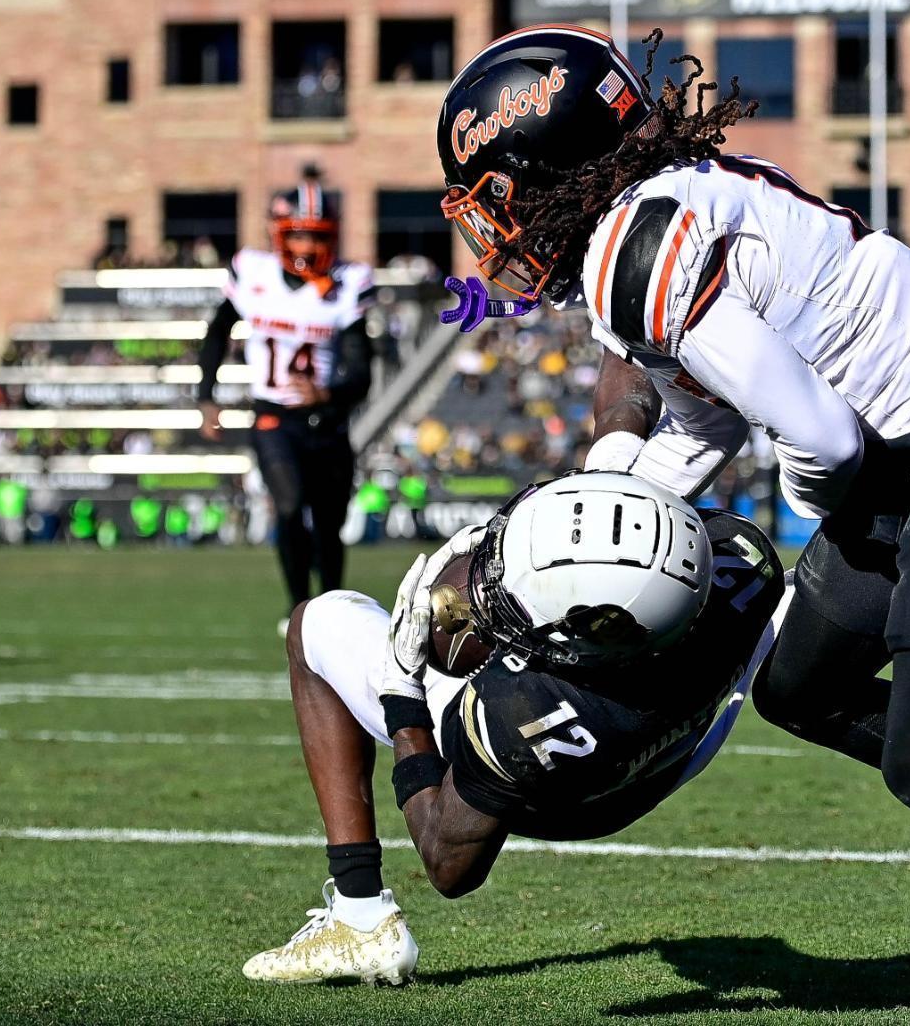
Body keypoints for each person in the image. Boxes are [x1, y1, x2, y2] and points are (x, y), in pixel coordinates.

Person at [436, 26, 910, 1024]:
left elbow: (824, 441)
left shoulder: (633, 246)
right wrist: (579, 535)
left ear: (550, 166)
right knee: (795, 687)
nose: (499, 227)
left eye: (499, 196)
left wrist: (829, 511)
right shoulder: (658, 212)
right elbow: (704, 422)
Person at [243, 472, 784, 984]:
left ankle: (359, 916)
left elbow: (448, 865)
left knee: (315, 622)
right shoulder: (739, 557)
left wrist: (402, 695)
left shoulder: (520, 709)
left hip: (560, 789)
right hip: (670, 752)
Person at [199, 168, 374, 632]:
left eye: (314, 236)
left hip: (328, 419)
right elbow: (218, 330)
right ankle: (299, 607)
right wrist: (206, 396)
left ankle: (333, 602)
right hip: (274, 416)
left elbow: (362, 370)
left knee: (329, 523)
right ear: (279, 233)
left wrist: (328, 391)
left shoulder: (347, 284)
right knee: (291, 507)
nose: (305, 247)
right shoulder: (252, 272)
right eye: (296, 234)